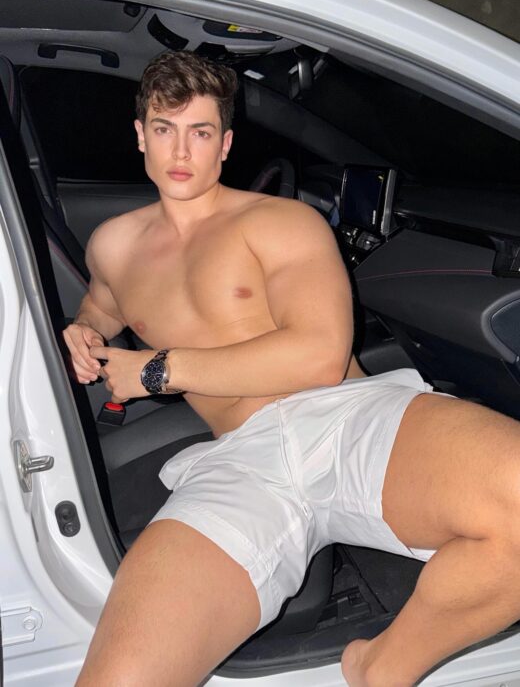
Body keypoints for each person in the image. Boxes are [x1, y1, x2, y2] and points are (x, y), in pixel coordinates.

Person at [64, 51, 520, 687]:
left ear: (225, 144)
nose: (181, 151)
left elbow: (319, 356)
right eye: (165, 129)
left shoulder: (282, 222)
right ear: (141, 134)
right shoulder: (112, 245)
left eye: (200, 132)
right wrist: (85, 331)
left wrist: (159, 371)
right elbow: (104, 305)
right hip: (239, 461)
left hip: (345, 420)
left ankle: (384, 667)